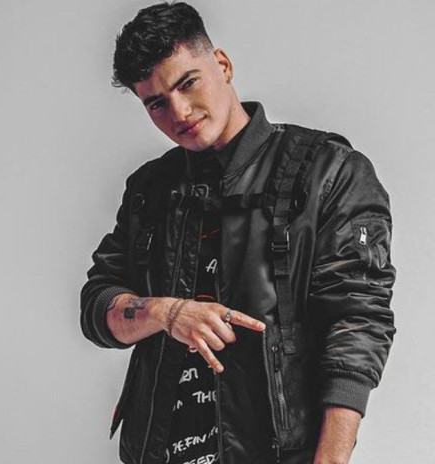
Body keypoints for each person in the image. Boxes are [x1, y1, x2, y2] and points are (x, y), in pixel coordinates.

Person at [80, 2, 396, 463]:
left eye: (187, 83)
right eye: (156, 103)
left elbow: (358, 322)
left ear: (223, 65)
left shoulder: (328, 172)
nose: (179, 112)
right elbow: (97, 304)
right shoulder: (150, 189)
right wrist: (166, 313)